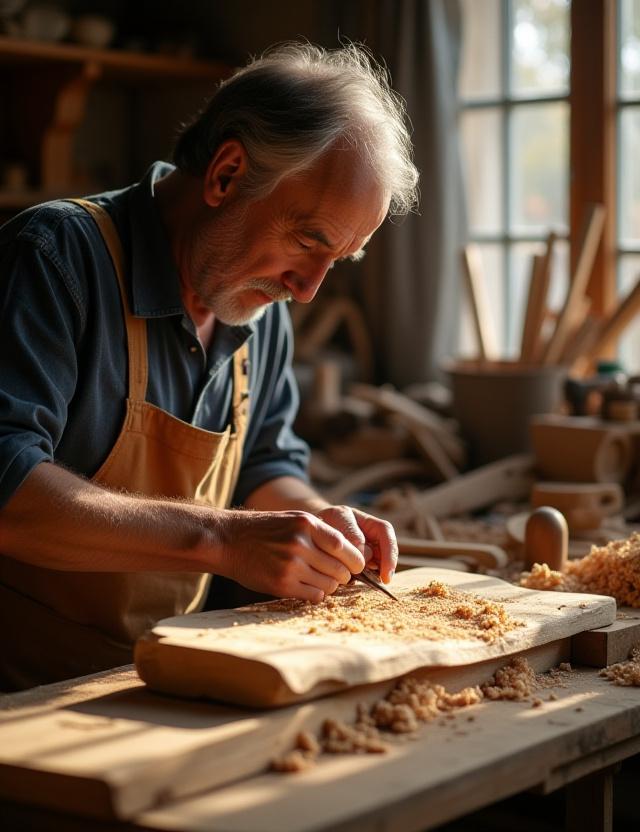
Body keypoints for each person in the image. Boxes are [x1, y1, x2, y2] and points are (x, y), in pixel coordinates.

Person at [0, 42, 419, 691]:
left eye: (339, 259)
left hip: (161, 681)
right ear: (226, 175)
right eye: (309, 239)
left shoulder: (258, 305)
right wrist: (223, 540)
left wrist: (319, 529)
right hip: (23, 696)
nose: (309, 288)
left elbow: (265, 467)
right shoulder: (56, 259)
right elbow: (8, 491)